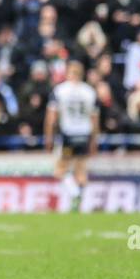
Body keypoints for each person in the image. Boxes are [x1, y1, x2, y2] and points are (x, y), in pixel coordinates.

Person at [44, 59, 99, 212]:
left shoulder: (60, 90)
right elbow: (94, 120)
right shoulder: (89, 91)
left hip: (68, 135)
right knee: (81, 171)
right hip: (85, 135)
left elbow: (51, 119)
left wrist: (48, 138)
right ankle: (81, 204)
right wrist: (94, 141)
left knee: (60, 169)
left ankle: (75, 194)